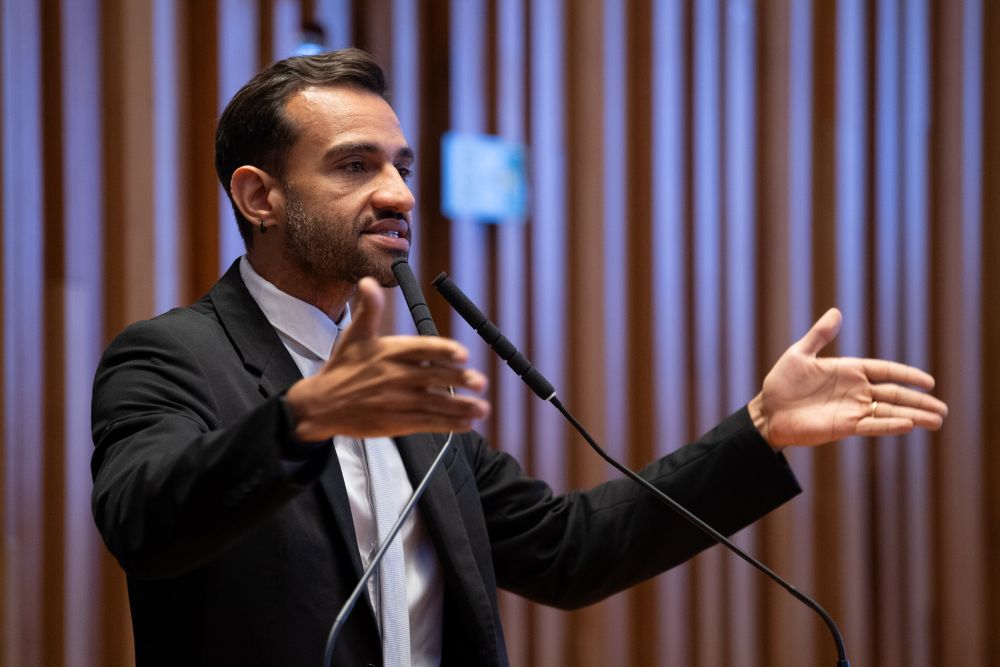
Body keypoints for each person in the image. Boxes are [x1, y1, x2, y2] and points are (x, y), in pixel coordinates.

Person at [90, 48, 948, 667]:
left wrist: (759, 432)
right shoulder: (171, 356)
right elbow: (146, 525)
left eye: (402, 166)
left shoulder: (405, 387)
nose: (399, 194)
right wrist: (303, 417)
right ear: (259, 196)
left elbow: (568, 551)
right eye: (355, 166)